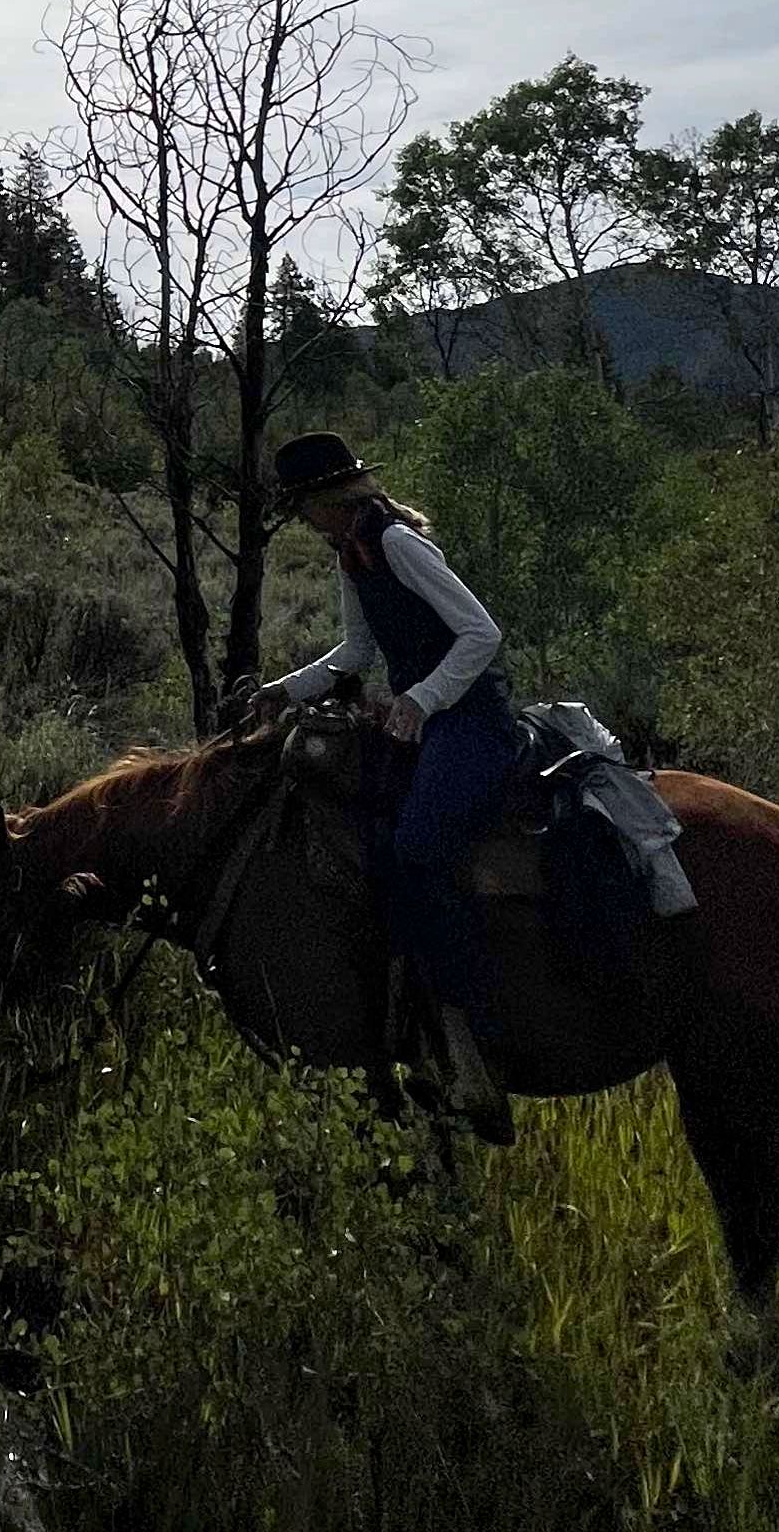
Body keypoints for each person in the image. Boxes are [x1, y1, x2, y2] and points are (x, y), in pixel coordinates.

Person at [254, 432, 520, 1143]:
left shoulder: (398, 544)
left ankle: (474, 1040)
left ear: (325, 499)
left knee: (419, 849)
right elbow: (358, 652)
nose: (303, 519)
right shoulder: (353, 554)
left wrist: (420, 701)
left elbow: (481, 633)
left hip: (471, 722)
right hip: (427, 721)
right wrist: (283, 691)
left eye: (304, 504)